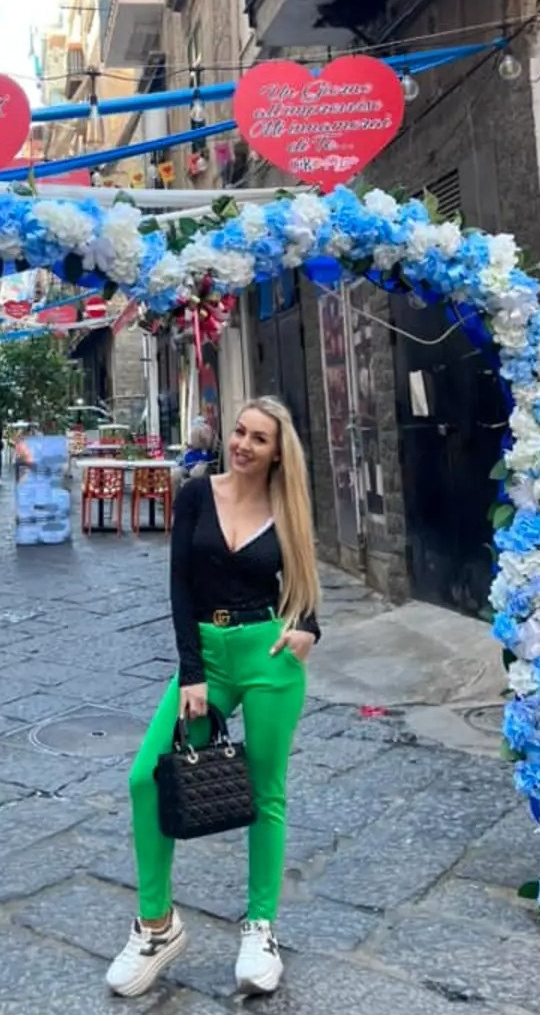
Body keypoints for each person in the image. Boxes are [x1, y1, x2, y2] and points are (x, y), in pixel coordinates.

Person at [107, 396, 321, 999]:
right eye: (239, 431)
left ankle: (260, 928)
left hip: (268, 653)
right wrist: (192, 672)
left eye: (259, 438)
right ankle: (157, 926)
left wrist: (308, 629)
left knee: (267, 793)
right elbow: (180, 583)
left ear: (277, 452)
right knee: (148, 778)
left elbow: (303, 582)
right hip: (207, 656)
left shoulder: (287, 505)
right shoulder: (198, 492)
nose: (243, 444)